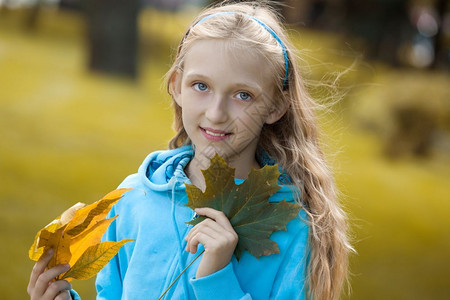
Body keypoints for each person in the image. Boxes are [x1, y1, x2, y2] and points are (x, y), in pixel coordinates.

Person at [27, 1, 352, 299]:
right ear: (176, 86)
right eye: (201, 86)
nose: (216, 113)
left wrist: (217, 280)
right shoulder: (132, 199)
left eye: (243, 95)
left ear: (275, 107)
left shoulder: (292, 227)